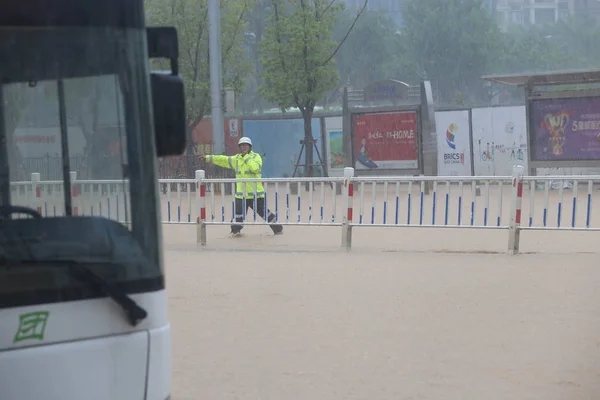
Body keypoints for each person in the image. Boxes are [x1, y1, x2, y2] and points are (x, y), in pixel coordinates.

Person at [200, 137, 283, 236]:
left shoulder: (256, 157)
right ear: (239, 147)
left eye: (246, 145)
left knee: (266, 214)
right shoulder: (236, 159)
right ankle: (235, 233)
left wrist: (246, 157)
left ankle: (278, 229)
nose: (244, 147)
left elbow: (255, 169)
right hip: (241, 195)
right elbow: (223, 160)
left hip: (255, 195)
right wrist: (208, 158)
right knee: (237, 216)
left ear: (250, 147)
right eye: (242, 145)